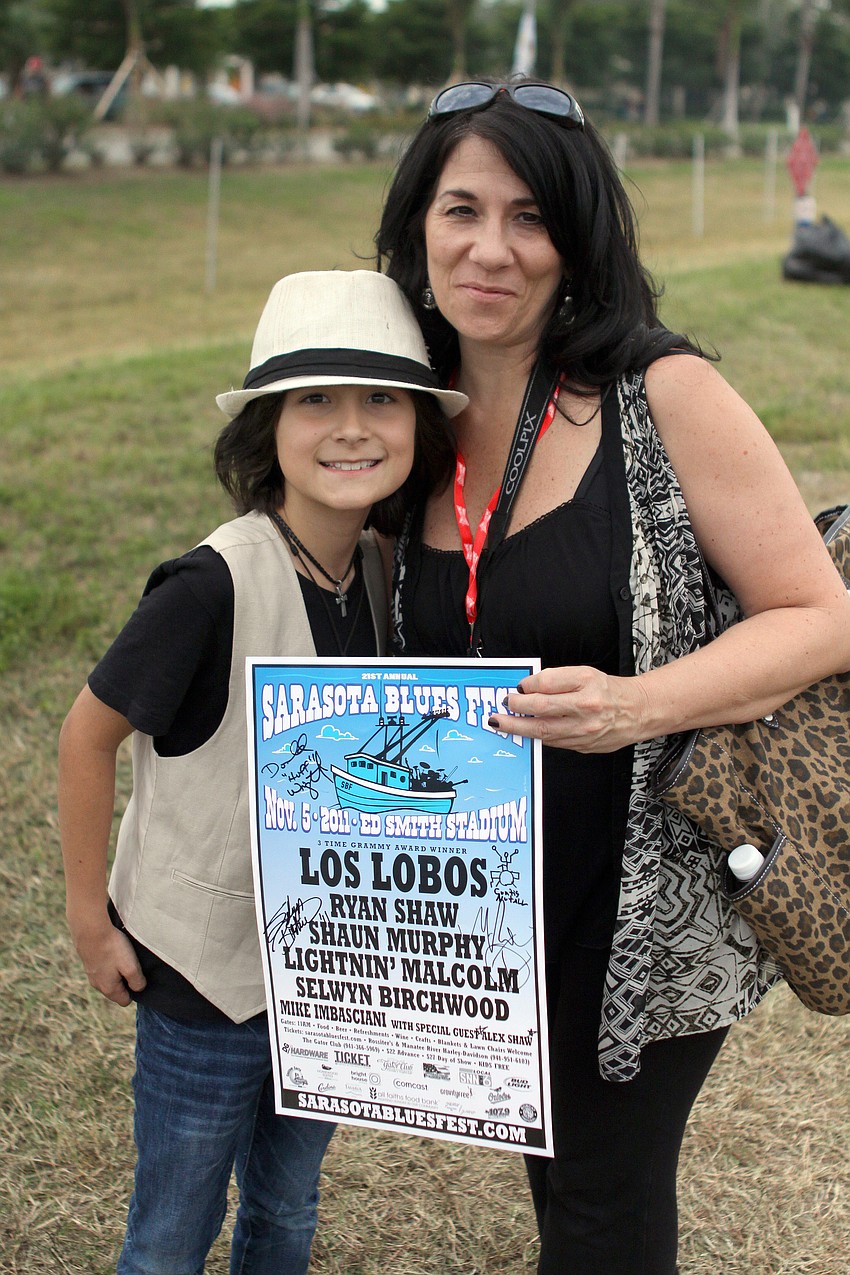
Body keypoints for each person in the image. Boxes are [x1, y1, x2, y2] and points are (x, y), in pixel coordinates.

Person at [375, 80, 850, 1273]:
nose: (490, 248)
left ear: (578, 235)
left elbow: (819, 618)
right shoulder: (392, 417)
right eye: (460, 210)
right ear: (415, 228)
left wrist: (634, 705)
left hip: (640, 889)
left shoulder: (660, 393)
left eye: (529, 217)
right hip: (473, 897)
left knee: (598, 1195)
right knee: (563, 1177)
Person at [57, 269, 465, 1275]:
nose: (350, 427)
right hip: (203, 975)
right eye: (315, 399)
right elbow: (84, 735)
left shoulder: (380, 572)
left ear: (417, 426)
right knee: (171, 1232)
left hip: (328, 977)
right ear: (267, 429)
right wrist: (87, 917)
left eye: (380, 399)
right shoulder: (211, 584)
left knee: (286, 1208)